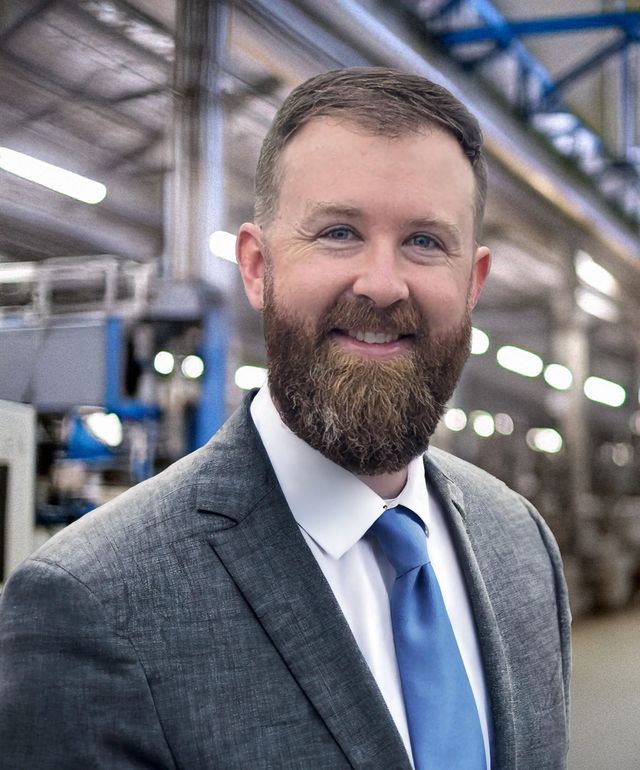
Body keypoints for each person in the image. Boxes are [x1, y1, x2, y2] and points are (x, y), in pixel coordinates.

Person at [0, 68, 570, 769]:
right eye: (338, 232)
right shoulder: (93, 602)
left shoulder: (523, 549)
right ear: (256, 265)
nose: (383, 284)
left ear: (472, 282)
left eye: (425, 241)